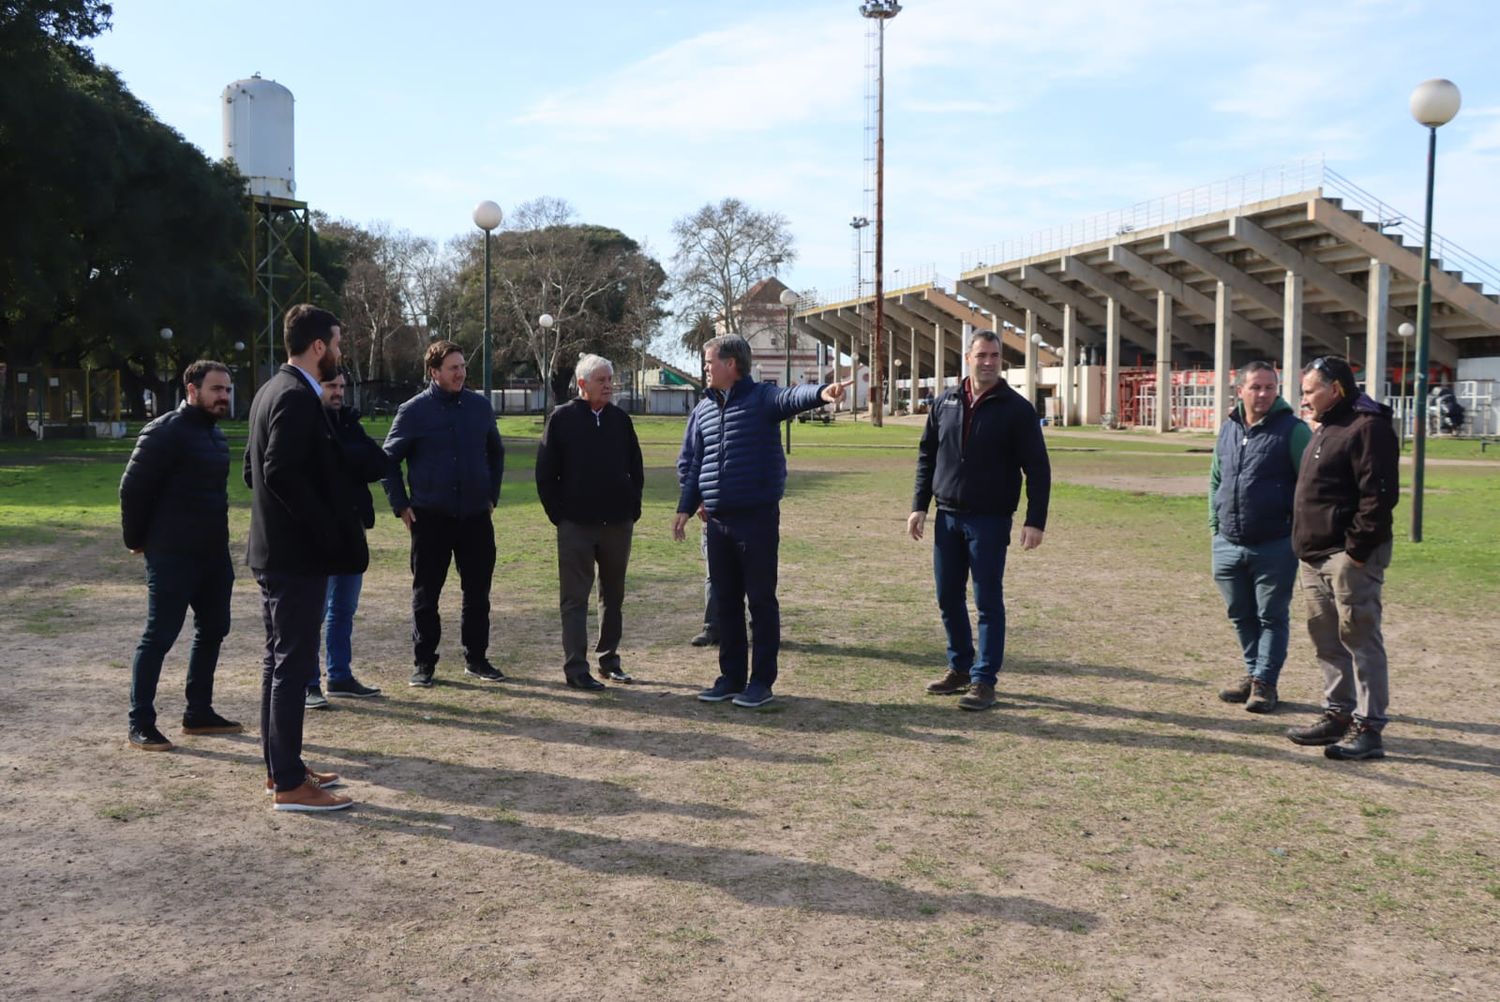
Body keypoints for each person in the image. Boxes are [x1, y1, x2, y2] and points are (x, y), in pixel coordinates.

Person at [672, 335, 849, 708]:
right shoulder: (703, 409)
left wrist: (823, 393)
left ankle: (761, 682)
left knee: (761, 602)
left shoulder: (761, 399)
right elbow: (694, 465)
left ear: (732, 364)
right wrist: (685, 508)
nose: (705, 368)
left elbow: (792, 397)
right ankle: (731, 677)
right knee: (726, 603)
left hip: (756, 519)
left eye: (710, 362)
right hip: (716, 523)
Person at [245, 304, 367, 811]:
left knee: (280, 663)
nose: (339, 353)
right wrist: (322, 528)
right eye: (336, 344)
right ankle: (291, 785)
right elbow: (277, 472)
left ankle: (283, 770)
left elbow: (259, 473)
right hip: (294, 557)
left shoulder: (271, 390)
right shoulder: (295, 396)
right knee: (291, 666)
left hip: (275, 552)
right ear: (318, 346)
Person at [907, 330, 1050, 711]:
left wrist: (1035, 520)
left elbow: (1038, 468)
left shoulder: (1017, 409)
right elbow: (927, 456)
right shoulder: (945, 403)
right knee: (947, 597)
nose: (988, 361)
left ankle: (984, 680)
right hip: (947, 517)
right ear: (967, 358)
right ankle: (959, 667)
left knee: (987, 601)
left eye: (995, 356)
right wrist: (919, 505)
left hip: (989, 520)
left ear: (1001, 360)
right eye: (981, 355)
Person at [119, 360, 241, 751]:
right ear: (192, 390)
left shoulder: (217, 437)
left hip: (212, 554)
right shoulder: (164, 432)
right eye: (216, 389)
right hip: (171, 553)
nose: (224, 396)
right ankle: (140, 722)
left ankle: (198, 712)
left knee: (214, 628)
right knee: (159, 635)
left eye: (227, 390)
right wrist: (136, 539)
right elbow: (131, 489)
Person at [1285, 356, 1399, 761]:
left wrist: (1356, 553)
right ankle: (1337, 713)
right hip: (1313, 556)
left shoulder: (1368, 427)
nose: (1305, 399)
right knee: (1327, 640)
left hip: (1348, 558)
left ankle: (1369, 728)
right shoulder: (1328, 426)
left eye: (1310, 390)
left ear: (1335, 389)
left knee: (1361, 640)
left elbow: (1379, 497)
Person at [383, 341, 505, 688]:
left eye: (463, 366)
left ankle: (477, 659)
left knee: (478, 592)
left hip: (475, 517)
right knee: (426, 595)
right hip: (429, 518)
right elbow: (387, 461)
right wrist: (401, 505)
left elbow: (496, 454)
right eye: (453, 367)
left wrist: (491, 495)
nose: (461, 373)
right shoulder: (413, 411)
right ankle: (424, 663)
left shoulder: (480, 408)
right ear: (433, 372)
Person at [534, 354, 644, 690]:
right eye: (601, 380)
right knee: (575, 598)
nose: (609, 385)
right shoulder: (562, 418)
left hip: (617, 524)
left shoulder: (620, 421)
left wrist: (631, 508)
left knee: (613, 595)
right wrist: (561, 516)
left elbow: (635, 469)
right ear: (582, 384)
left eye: (610, 379)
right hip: (575, 526)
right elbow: (544, 473)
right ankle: (576, 668)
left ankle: (609, 661)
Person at [1209, 361, 1311, 714]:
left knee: (1271, 615)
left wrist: (1297, 532)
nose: (1264, 393)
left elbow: (1310, 486)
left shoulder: (1293, 431)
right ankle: (1254, 672)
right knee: (1240, 613)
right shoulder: (1229, 428)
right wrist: (1214, 526)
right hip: (1228, 541)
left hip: (1275, 543)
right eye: (1256, 387)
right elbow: (1216, 479)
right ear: (1240, 390)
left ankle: (1265, 683)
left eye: (1270, 386)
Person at [305, 370, 389, 709]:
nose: (338, 392)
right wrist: (349, 458)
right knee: (313, 612)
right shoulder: (306, 423)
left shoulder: (350, 422)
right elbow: (317, 469)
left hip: (351, 530)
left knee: (343, 609)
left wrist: (343, 456)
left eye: (341, 386)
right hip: (317, 533)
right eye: (331, 386)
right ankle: (308, 683)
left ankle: (339, 675)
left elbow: (379, 463)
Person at [676, 397, 718, 648]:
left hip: (749, 512)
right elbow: (687, 461)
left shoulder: (755, 405)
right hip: (712, 511)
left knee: (753, 573)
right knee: (715, 571)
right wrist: (696, 501)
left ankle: (759, 627)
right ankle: (712, 626)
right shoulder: (703, 410)